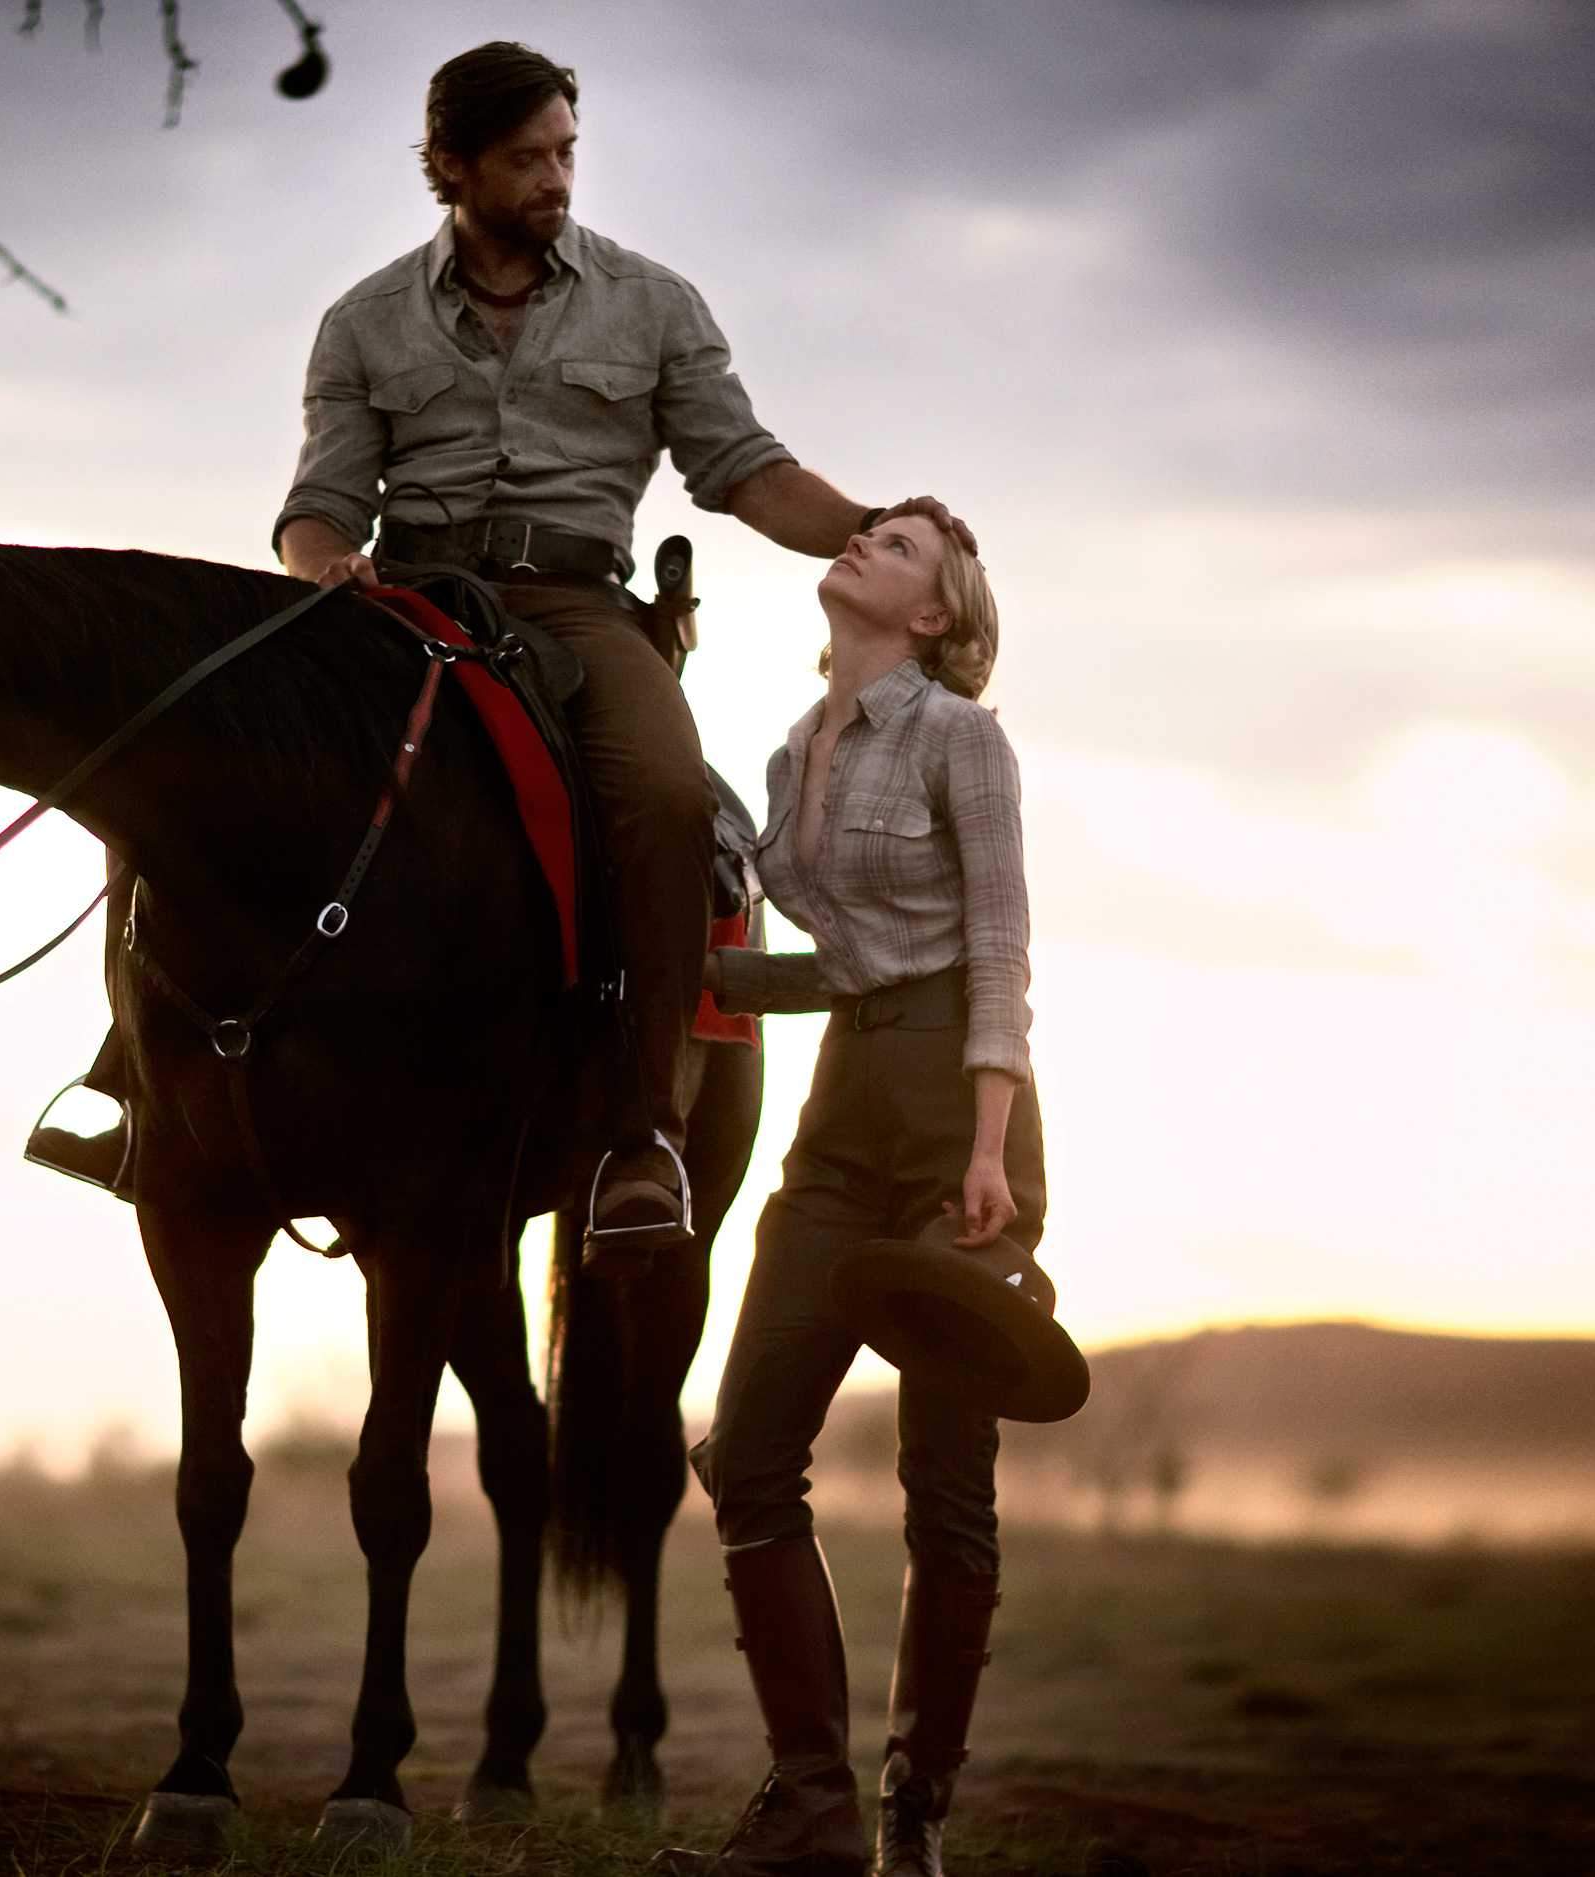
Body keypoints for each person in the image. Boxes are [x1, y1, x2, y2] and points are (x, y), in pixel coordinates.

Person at [24, 41, 975, 1258]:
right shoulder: (364, 319)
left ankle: (640, 1134)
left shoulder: (654, 301)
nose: (556, 179)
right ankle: (137, 1088)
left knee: (671, 798)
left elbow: (747, 473)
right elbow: (319, 501)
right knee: (189, 764)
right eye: (527, 159)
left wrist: (880, 527)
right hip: (400, 605)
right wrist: (325, 570)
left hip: (578, 605)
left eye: (566, 152)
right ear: (452, 166)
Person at [655, 515, 1039, 1877]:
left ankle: (912, 1809)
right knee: (748, 1449)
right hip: (841, 1103)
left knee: (946, 1480)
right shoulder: (781, 752)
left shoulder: (957, 739)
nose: (867, 540)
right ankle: (810, 1802)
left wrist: (988, 1148)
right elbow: (840, 961)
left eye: (900, 544)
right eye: (870, 530)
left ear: (935, 615)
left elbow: (996, 948)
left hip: (958, 1113)